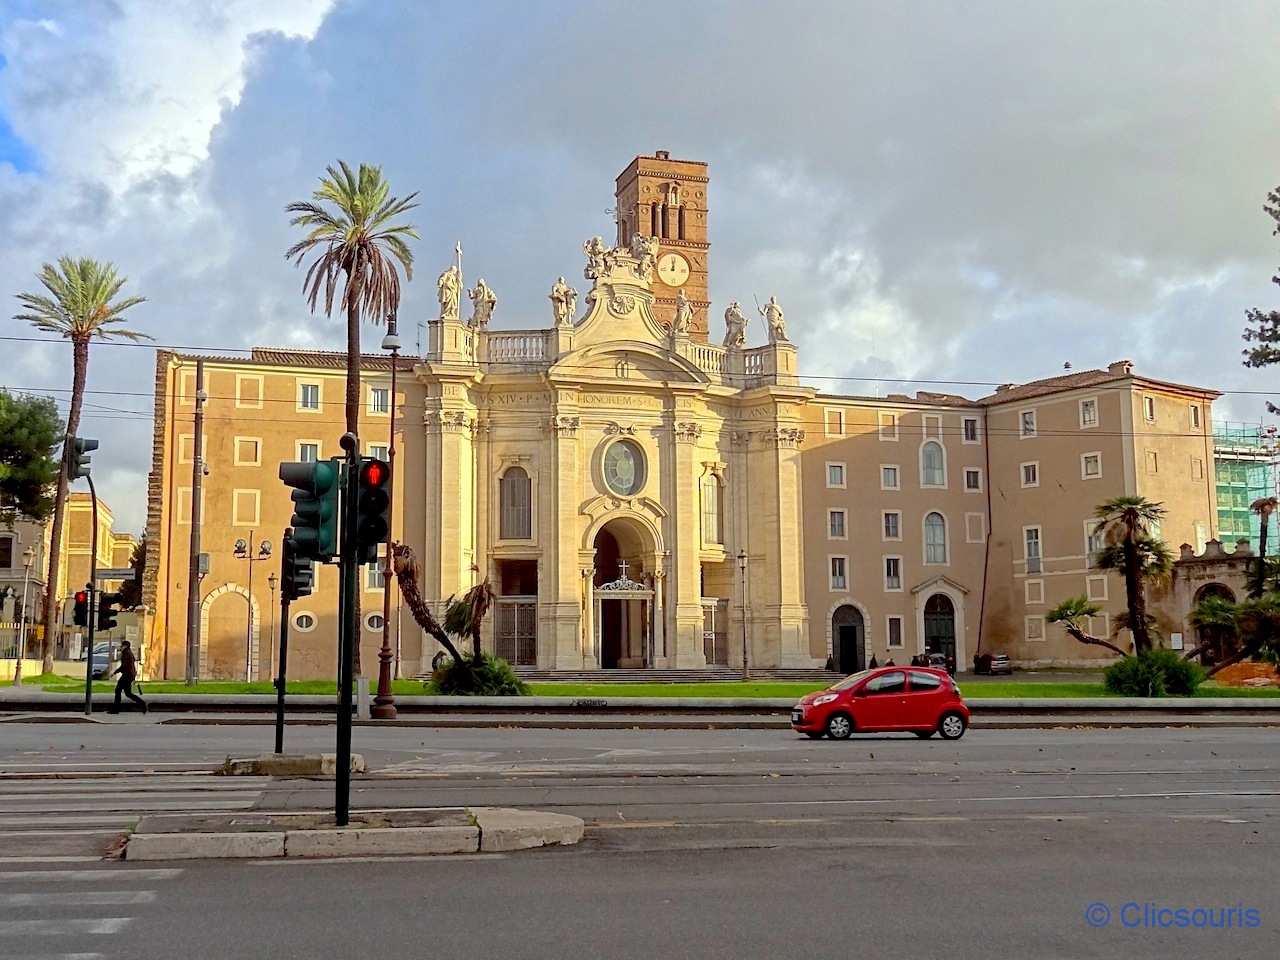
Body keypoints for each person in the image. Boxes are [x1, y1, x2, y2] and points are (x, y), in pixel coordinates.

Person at [109, 640, 146, 714]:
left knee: (118, 690)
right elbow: (132, 665)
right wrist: (134, 674)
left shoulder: (126, 654)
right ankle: (142, 704)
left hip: (126, 675)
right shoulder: (129, 653)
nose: (121, 647)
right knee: (128, 693)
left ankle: (116, 709)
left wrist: (115, 673)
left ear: (125, 646)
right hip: (129, 675)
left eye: (122, 646)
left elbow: (124, 666)